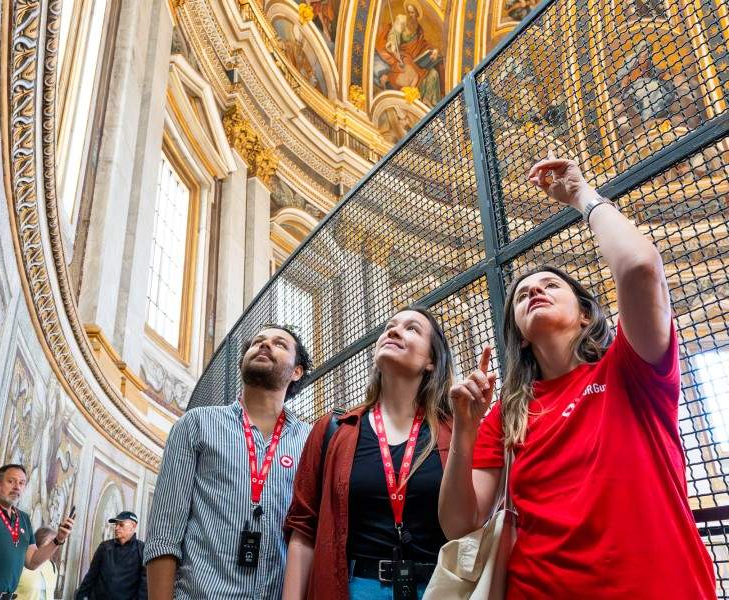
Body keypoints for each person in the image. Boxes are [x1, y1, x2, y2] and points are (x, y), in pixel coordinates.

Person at [438, 153, 716, 598]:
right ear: (521, 337)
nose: (534, 292)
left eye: (550, 286)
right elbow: (459, 523)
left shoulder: (632, 367)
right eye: (523, 295)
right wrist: (466, 433)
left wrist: (581, 195)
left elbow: (640, 268)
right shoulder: (507, 415)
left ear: (585, 315)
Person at [283, 307, 454, 600]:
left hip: (438, 590)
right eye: (390, 326)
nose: (394, 330)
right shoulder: (333, 428)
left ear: (431, 361)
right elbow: (304, 528)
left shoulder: (454, 432)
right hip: (354, 589)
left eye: (412, 328)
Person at [144, 325, 313, 599]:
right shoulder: (196, 425)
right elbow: (164, 534)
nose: (265, 345)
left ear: (297, 371)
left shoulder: (310, 440)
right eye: (257, 341)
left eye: (279, 344)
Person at [0, 464, 75, 600]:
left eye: (22, 483)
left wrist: (58, 539)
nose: (17, 487)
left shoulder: (24, 519)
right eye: (11, 481)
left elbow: (32, 562)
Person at [75, 511, 147, 600]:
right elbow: (91, 576)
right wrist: (80, 596)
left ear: (133, 526)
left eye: (121, 525)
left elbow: (144, 585)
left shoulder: (142, 549)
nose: (116, 528)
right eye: (116, 525)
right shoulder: (105, 547)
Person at [15, 527, 59, 600]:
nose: (53, 546)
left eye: (56, 543)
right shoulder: (23, 561)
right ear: (39, 539)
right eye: (51, 541)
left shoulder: (52, 566)